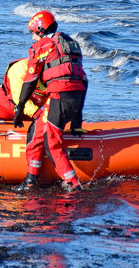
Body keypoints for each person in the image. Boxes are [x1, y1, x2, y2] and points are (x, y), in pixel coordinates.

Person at [14, 10, 87, 192]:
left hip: (59, 97)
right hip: (76, 97)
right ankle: (31, 179)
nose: (32, 37)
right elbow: (81, 78)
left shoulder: (41, 46)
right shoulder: (71, 43)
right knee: (37, 131)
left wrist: (20, 107)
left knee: (51, 142)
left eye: (33, 32)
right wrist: (77, 118)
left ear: (40, 29)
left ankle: (74, 186)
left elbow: (30, 80)